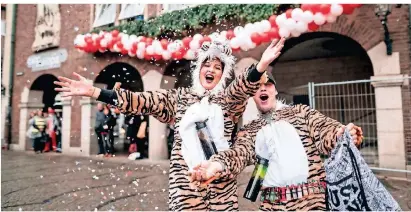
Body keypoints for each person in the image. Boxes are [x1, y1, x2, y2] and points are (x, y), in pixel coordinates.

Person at [54, 36, 285, 211]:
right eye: (207, 65)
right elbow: (141, 101)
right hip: (186, 188)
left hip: (221, 188)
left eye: (218, 67)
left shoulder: (227, 101)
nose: (211, 70)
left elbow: (242, 87)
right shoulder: (180, 98)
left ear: (222, 75)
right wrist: (95, 92)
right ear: (199, 69)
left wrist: (261, 65)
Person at [188, 73, 364, 211]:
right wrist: (215, 165)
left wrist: (343, 134)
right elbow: (237, 154)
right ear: (252, 95)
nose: (263, 89)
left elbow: (324, 130)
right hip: (272, 205)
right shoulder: (250, 130)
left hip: (311, 203)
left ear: (275, 91)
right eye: (257, 86)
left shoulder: (300, 113)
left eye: (268, 85)